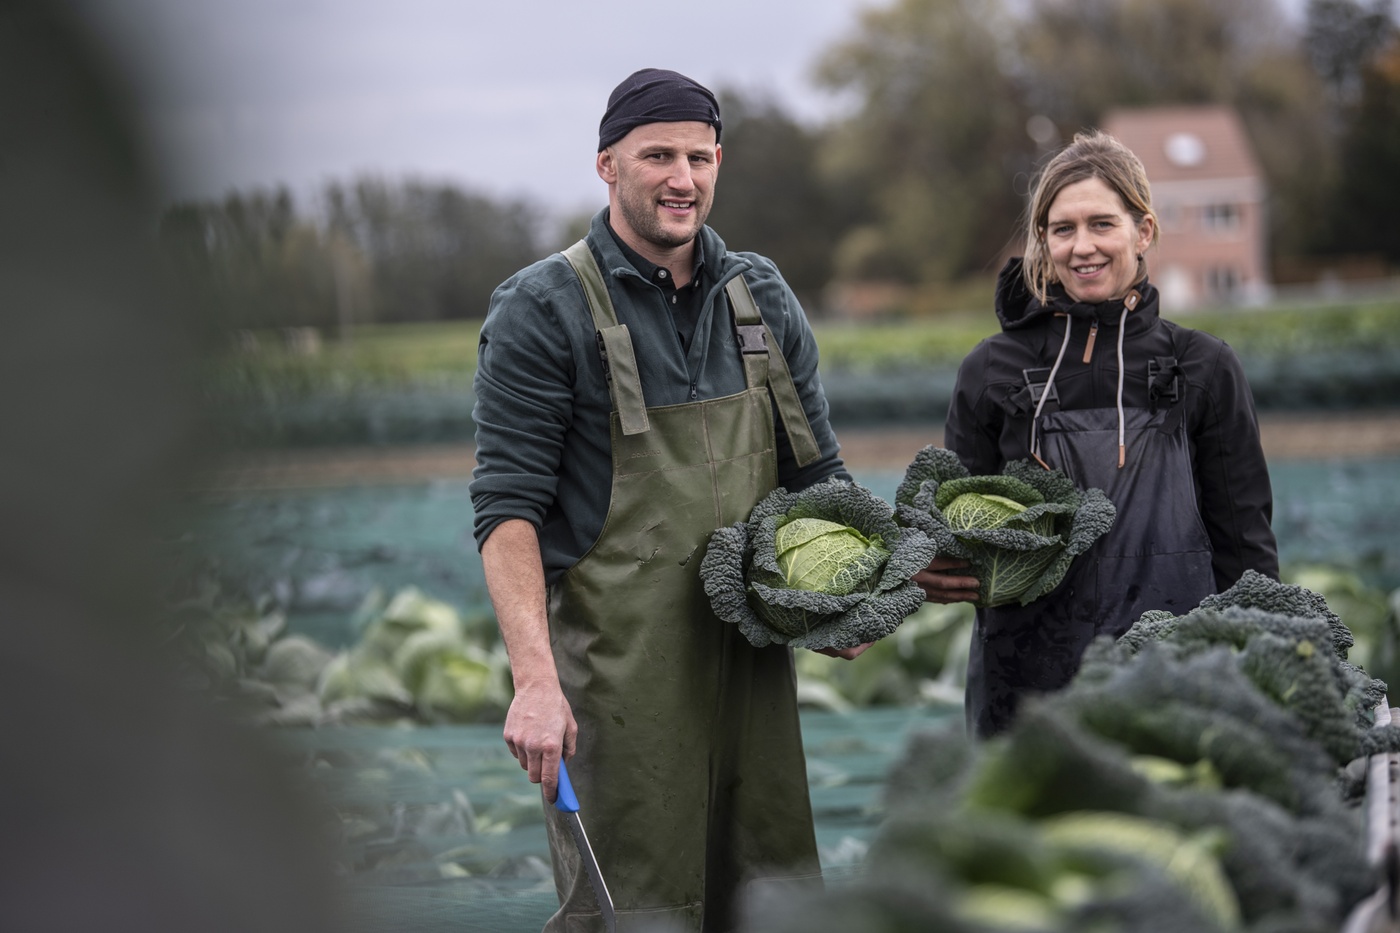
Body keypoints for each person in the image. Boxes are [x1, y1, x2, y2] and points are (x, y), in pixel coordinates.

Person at [470, 68, 859, 932]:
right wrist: (535, 681)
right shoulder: (544, 308)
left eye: (698, 155)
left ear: (718, 160)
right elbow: (507, 511)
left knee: (775, 897)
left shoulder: (757, 295)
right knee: (636, 910)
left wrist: (848, 595)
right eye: (657, 156)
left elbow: (819, 475)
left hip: (754, 673)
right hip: (619, 688)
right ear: (607, 165)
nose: (682, 177)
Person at [924, 130, 1279, 738]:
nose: (1082, 247)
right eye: (1062, 229)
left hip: (1174, 674)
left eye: (1102, 225)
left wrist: (1256, 666)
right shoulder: (991, 370)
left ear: (1143, 231)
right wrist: (928, 562)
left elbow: (1244, 542)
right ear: (1043, 239)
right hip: (1026, 686)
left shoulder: (1203, 368)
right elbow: (953, 521)